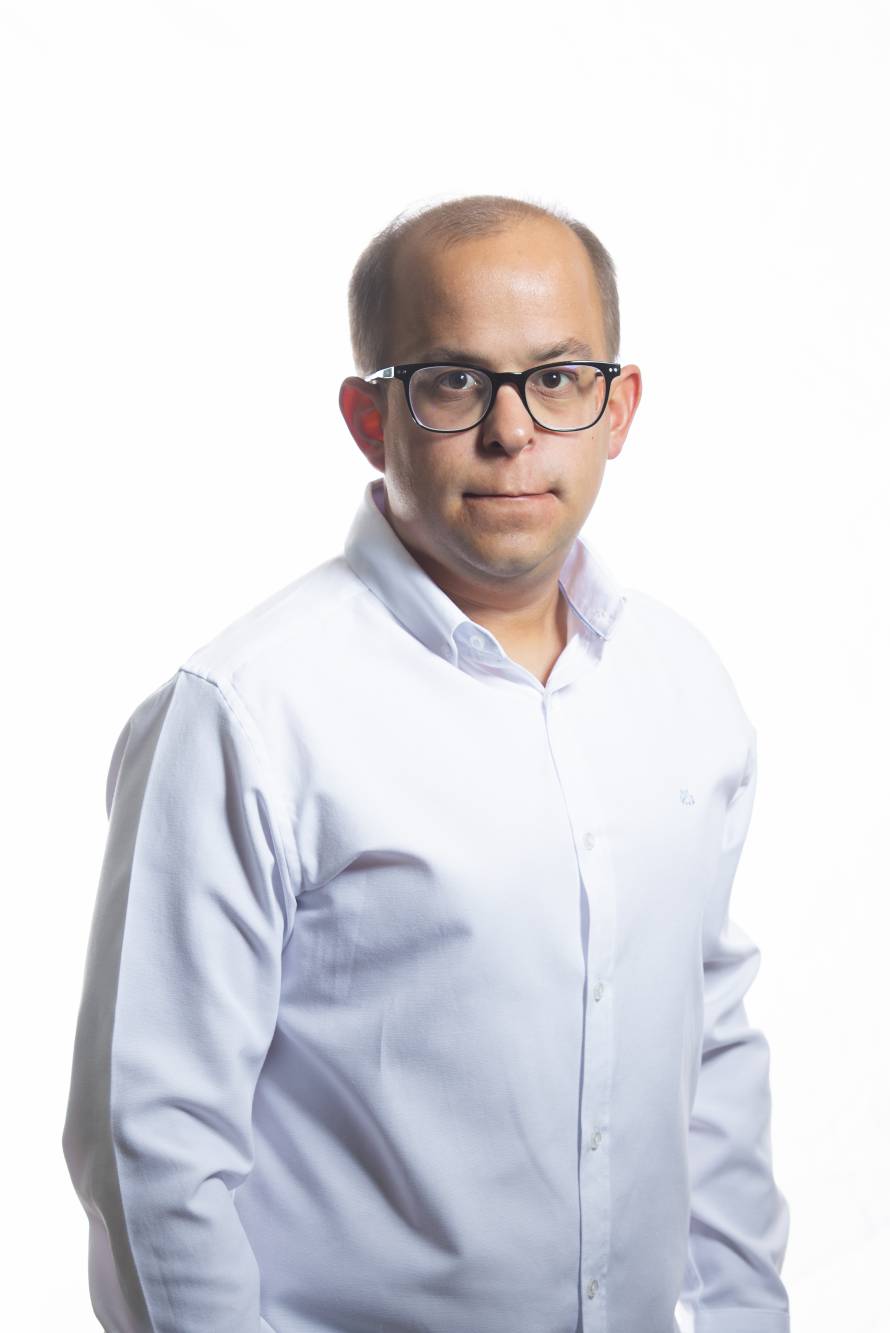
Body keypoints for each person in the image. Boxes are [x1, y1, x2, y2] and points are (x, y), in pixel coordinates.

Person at [61, 193, 791, 1333]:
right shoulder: (248, 715)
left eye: (558, 378)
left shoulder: (681, 682)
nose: (512, 431)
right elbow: (151, 1142)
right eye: (453, 381)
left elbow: (710, 1046)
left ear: (617, 408)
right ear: (370, 418)